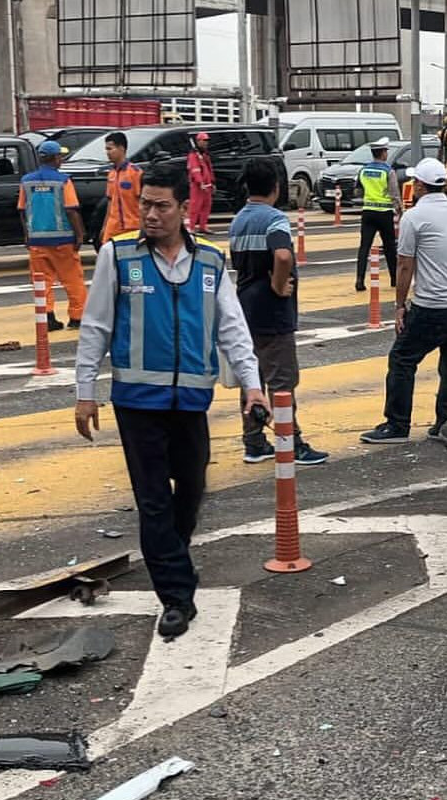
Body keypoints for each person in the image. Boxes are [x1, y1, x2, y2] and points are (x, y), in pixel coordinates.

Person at [73, 163, 268, 639]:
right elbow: (95, 325)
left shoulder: (209, 261)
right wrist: (84, 392)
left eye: (162, 205)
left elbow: (231, 327)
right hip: (138, 401)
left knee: (193, 489)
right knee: (154, 501)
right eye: (145, 204)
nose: (151, 214)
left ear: (185, 208)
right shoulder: (118, 257)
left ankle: (172, 557)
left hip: (191, 399)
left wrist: (252, 383)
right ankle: (177, 597)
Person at [360, 157, 447, 444]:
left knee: (402, 359)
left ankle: (397, 424)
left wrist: (400, 306)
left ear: (421, 186)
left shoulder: (414, 218)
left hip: (431, 305)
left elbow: (404, 265)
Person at [230, 158, 329, 466]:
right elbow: (283, 255)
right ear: (276, 187)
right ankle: (291, 441)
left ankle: (254, 441)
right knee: (282, 380)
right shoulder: (274, 219)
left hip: (245, 308)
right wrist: (277, 285)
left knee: (253, 378)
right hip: (273, 313)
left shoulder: (238, 220)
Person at [18, 140, 87, 332]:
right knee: (72, 279)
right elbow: (72, 210)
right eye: (60, 156)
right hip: (63, 240)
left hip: (37, 240)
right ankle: (77, 317)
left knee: (42, 281)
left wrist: (27, 235)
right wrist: (80, 235)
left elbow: (22, 211)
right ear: (55, 158)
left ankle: (47, 317)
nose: (61, 160)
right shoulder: (63, 181)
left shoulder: (26, 181)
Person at [354, 137, 402, 291]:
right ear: (382, 153)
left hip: (368, 212)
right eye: (386, 151)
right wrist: (400, 210)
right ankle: (394, 279)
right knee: (389, 247)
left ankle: (360, 280)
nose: (387, 154)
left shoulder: (363, 170)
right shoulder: (388, 171)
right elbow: (394, 194)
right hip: (384, 213)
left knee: (364, 247)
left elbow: (358, 189)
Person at [101, 131, 143, 243]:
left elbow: (142, 202)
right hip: (113, 227)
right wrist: (105, 226)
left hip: (133, 226)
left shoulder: (135, 173)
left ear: (121, 148)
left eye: (110, 149)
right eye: (106, 149)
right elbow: (110, 202)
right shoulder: (111, 174)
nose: (107, 153)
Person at [187, 131, 215, 235]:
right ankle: (191, 227)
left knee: (206, 206)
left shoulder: (204, 155)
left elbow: (209, 169)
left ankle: (203, 226)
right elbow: (195, 170)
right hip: (198, 186)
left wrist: (212, 182)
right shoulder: (193, 155)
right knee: (195, 206)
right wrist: (200, 182)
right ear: (198, 141)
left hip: (207, 185)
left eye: (207, 141)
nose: (206, 143)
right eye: (204, 141)